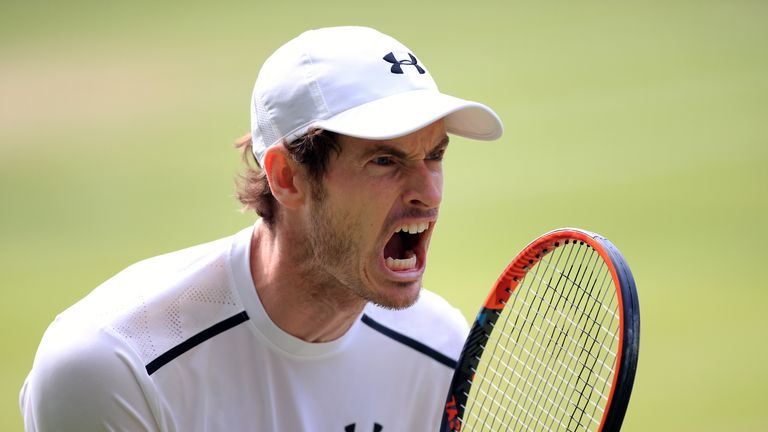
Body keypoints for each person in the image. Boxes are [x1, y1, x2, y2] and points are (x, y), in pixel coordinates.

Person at [20, 26, 503, 431]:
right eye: (384, 160)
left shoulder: (436, 349)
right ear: (288, 178)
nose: (429, 192)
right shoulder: (114, 365)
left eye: (435, 155)